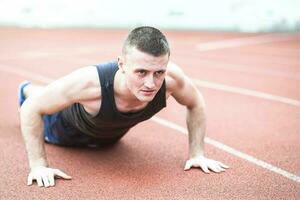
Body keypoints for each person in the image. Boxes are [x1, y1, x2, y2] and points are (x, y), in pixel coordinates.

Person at [19, 26, 229, 188]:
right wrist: (38, 166)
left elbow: (196, 102)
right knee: (36, 98)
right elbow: (31, 109)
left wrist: (197, 154)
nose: (151, 83)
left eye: (159, 72)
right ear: (121, 65)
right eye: (141, 72)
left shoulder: (172, 79)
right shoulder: (90, 83)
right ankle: (26, 88)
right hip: (61, 131)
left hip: (107, 138)